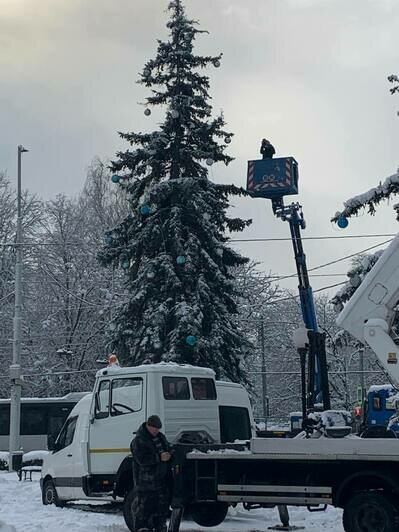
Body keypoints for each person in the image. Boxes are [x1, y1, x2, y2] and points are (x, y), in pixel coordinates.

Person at [130, 415, 172, 532]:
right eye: (154, 428)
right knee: (143, 513)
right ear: (148, 425)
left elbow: (167, 447)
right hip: (145, 485)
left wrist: (170, 452)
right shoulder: (138, 441)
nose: (156, 431)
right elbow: (142, 460)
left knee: (161, 514)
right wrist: (159, 457)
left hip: (160, 483)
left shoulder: (160, 437)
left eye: (158, 429)